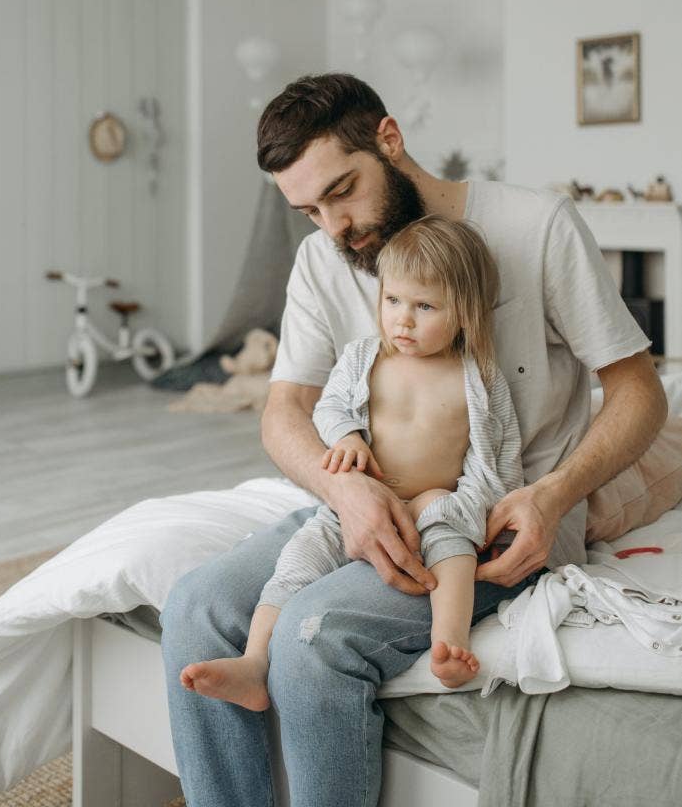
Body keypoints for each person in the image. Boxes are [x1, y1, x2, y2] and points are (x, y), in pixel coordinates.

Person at [160, 73, 666, 807]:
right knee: (195, 606)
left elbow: (637, 389)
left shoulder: (537, 226)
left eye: (341, 192)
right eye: (308, 210)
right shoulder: (323, 258)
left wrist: (554, 496)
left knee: (311, 635)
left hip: (488, 531)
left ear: (389, 141)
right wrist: (343, 489)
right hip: (363, 503)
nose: (332, 226)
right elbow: (284, 411)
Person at [179, 216, 523, 707]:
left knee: (455, 550)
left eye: (424, 306)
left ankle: (450, 644)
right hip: (359, 498)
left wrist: (484, 513)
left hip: (435, 500)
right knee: (298, 562)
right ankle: (254, 663)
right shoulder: (366, 357)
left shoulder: (478, 378)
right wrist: (348, 437)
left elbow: (500, 455)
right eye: (393, 301)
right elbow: (330, 407)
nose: (403, 319)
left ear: (465, 312)